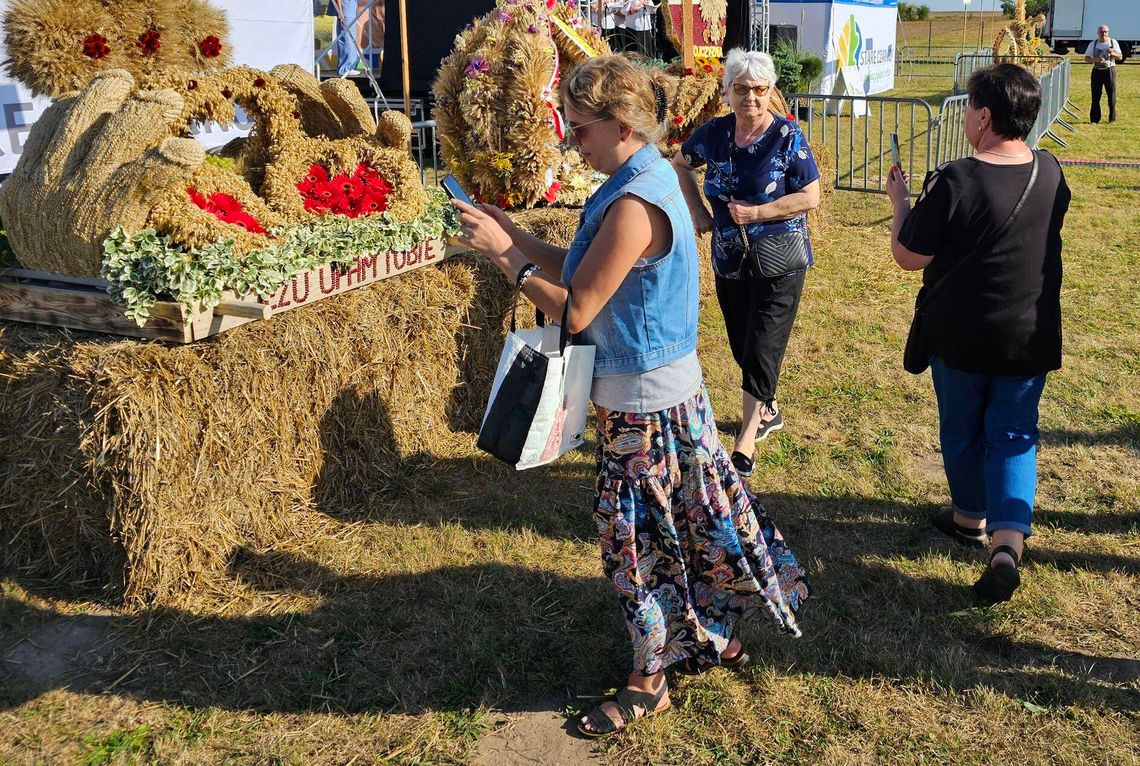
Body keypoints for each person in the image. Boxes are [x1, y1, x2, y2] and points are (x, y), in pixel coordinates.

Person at [452, 54, 809, 737]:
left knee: (637, 544)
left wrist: (505, 255)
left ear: (619, 125)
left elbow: (578, 305)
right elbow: (587, 264)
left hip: (645, 413)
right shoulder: (644, 174)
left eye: (579, 127)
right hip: (662, 399)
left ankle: (651, 682)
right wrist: (514, 231)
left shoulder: (639, 199)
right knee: (692, 529)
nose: (570, 140)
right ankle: (714, 634)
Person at [885, 63, 1071, 604]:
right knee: (1014, 435)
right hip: (1028, 332)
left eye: (968, 106)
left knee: (963, 428)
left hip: (961, 334)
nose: (965, 115)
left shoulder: (956, 178)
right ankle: (1007, 545)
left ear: (984, 116)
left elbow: (908, 256)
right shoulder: (1052, 171)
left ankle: (969, 516)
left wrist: (901, 203)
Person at [673, 49, 821, 479]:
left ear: (770, 91)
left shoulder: (787, 137)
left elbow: (810, 196)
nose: (750, 98)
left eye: (759, 89)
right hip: (730, 259)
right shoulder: (715, 134)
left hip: (779, 258)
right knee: (741, 341)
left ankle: (746, 437)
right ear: (727, 92)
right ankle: (768, 407)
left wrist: (759, 212)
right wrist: (699, 211)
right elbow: (682, 163)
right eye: (741, 89)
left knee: (762, 344)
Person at [1083, 25, 1122, 124]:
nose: (1103, 34)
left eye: (1105, 32)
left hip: (1109, 70)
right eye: (1101, 32)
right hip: (1097, 71)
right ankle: (1094, 120)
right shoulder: (1093, 43)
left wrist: (1112, 53)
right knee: (1095, 96)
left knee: (1111, 95)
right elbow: (1086, 58)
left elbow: (1120, 57)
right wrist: (1094, 60)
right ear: (1097, 33)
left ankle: (1112, 119)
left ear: (1108, 32)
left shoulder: (1113, 42)